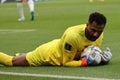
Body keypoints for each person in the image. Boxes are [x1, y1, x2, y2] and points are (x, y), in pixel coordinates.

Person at [0, 12, 110, 67]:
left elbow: (88, 52)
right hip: (48, 55)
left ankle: (24, 55)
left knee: (23, 57)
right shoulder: (73, 36)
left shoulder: (100, 34)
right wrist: (86, 62)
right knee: (12, 61)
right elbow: (66, 63)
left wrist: (100, 58)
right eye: (93, 30)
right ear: (87, 25)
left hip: (60, 47)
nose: (96, 34)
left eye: (99, 31)